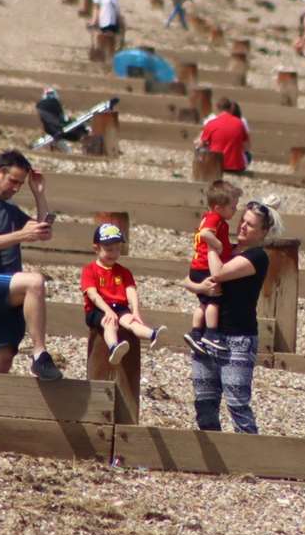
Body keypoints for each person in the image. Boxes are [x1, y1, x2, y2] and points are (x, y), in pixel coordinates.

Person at [0, 150, 61, 380]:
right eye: (13, 181)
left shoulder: (11, 210)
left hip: (9, 288)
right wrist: (20, 236)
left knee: (2, 359)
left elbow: (43, 233)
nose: (16, 188)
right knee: (35, 282)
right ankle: (39, 353)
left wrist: (39, 194)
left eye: (20, 184)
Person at [182, 200, 280, 433]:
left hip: (238, 338)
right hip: (206, 336)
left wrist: (212, 245)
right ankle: (216, 465)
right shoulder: (226, 248)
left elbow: (218, 273)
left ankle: (248, 459)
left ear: (264, 232)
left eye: (251, 225)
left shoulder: (258, 257)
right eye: (242, 221)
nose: (243, 227)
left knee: (237, 403)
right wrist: (199, 289)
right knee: (204, 403)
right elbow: (188, 278)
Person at [80, 223, 166, 365]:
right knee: (110, 324)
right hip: (97, 309)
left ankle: (153, 334)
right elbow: (92, 295)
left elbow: (131, 291)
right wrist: (107, 311)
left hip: (119, 306)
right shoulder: (90, 270)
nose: (114, 254)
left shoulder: (124, 271)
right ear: (96, 248)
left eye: (118, 249)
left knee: (131, 322)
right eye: (109, 249)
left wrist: (136, 311)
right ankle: (114, 347)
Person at [186, 179, 240, 357]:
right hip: (204, 267)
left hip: (197, 267)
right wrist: (217, 245)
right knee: (214, 300)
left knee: (203, 302)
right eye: (233, 207)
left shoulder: (210, 217)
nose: (235, 210)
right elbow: (205, 233)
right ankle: (211, 333)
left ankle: (195, 333)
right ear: (218, 207)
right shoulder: (215, 218)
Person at [198, 98, 250, 174]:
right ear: (230, 108)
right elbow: (246, 147)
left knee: (202, 149)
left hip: (215, 165)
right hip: (237, 167)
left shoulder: (211, 123)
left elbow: (200, 145)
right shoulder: (240, 123)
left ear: (217, 108)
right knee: (248, 155)